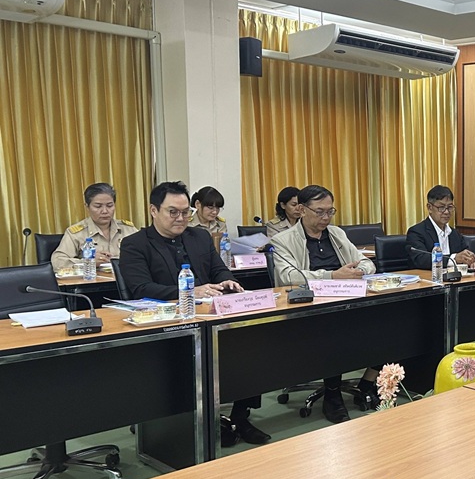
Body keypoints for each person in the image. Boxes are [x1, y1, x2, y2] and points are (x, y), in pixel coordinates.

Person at [119, 181, 269, 446]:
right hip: (168, 324)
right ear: (153, 210)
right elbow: (141, 288)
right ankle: (195, 422)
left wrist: (228, 281)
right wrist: (190, 291)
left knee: (248, 343)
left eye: (185, 212)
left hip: (210, 316)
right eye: (173, 212)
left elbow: (218, 269)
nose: (181, 218)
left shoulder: (199, 237)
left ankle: (240, 416)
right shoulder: (135, 244)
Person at [270, 184, 376, 423]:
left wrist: (359, 271)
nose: (326, 217)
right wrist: (332, 276)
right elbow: (288, 276)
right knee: (334, 326)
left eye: (330, 211)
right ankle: (333, 394)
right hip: (309, 307)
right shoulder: (282, 240)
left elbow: (367, 262)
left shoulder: (336, 234)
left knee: (390, 318)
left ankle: (369, 382)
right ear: (301, 209)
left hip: (347, 299)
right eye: (319, 212)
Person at [51, 183, 138, 270]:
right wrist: (88, 262)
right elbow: (57, 261)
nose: (105, 211)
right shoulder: (76, 233)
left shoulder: (128, 229)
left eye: (109, 205)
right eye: (98, 206)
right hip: (93, 278)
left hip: (128, 277)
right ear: (87, 207)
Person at [405, 185, 475, 270]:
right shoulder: (416, 232)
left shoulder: (454, 233)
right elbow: (422, 259)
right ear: (429, 208)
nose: (446, 212)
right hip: (428, 277)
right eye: (441, 207)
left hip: (455, 277)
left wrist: (472, 259)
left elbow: (466, 253)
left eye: (450, 207)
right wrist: (454, 259)